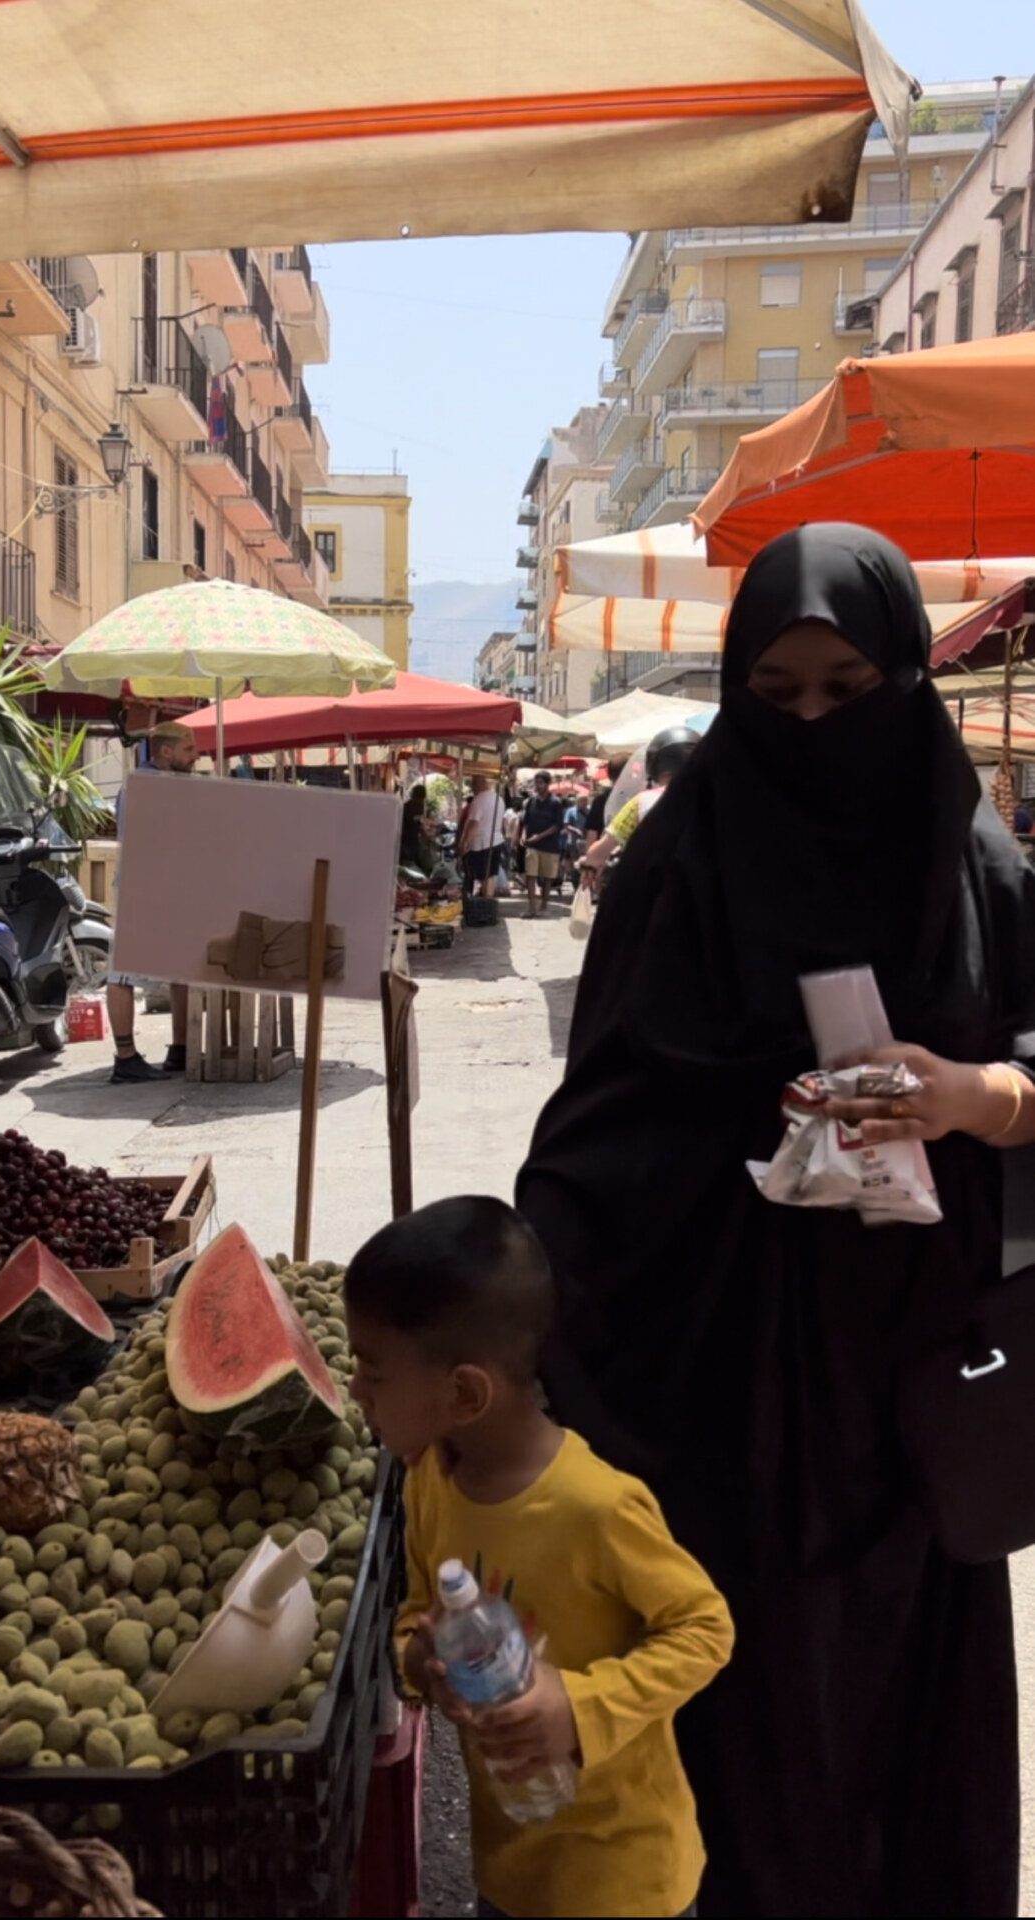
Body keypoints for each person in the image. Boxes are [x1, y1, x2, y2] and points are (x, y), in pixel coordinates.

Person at [518, 524, 1035, 1919]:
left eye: (847, 691)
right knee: (739, 1693)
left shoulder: (981, 879)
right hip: (718, 1377)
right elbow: (594, 1124)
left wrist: (969, 1096)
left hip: (917, 1383)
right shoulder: (679, 872)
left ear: (907, 687)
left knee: (903, 1716)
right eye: (776, 694)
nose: (811, 724)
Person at [344, 1196, 734, 1920]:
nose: (355, 1391)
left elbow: (706, 1630)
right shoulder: (430, 1478)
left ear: (464, 1391)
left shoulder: (598, 1506)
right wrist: (422, 1662)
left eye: (373, 1370)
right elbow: (418, 1612)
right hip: (511, 1871)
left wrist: (579, 1708)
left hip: (626, 1882)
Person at [107, 721, 197, 1084]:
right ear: (165, 752)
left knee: (182, 966)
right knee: (123, 970)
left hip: (165, 886)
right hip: (140, 886)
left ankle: (180, 1049)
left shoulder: (167, 785)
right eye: (188, 750)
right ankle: (125, 1057)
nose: (196, 757)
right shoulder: (144, 786)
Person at [581, 727, 698, 890]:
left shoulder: (642, 803)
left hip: (655, 899)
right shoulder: (723, 803)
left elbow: (598, 852)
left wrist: (589, 865)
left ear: (655, 762)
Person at [520, 773, 564, 918]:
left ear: (547, 784)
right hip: (532, 846)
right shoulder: (531, 802)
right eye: (536, 783)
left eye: (540, 783)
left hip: (550, 845)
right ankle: (531, 908)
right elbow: (525, 822)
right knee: (530, 875)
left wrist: (539, 836)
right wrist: (523, 835)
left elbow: (556, 826)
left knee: (547, 878)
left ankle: (544, 905)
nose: (537, 786)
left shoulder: (556, 803)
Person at [460, 776, 506, 899]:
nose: (473, 789)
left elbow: (474, 824)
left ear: (478, 785)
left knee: (480, 875)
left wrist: (465, 843)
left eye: (473, 786)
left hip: (482, 843)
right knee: (490, 874)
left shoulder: (479, 799)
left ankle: (482, 903)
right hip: (496, 841)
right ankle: (488, 902)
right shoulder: (499, 799)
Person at [583, 756, 627, 847]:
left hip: (605, 854)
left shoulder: (600, 800)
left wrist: (591, 857)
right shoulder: (638, 797)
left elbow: (592, 833)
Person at [400, 783, 433, 875]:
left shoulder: (414, 807)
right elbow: (418, 825)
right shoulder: (409, 808)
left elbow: (419, 824)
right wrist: (425, 835)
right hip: (406, 841)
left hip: (412, 840)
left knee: (414, 863)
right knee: (410, 866)